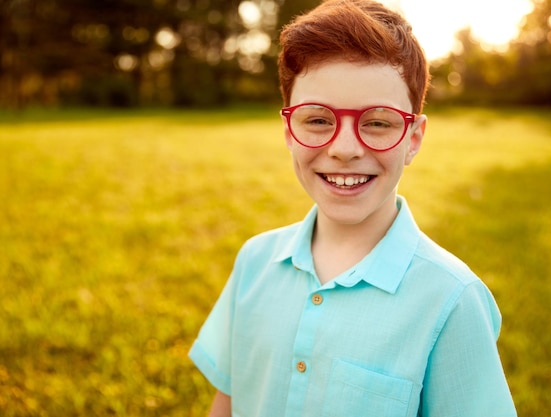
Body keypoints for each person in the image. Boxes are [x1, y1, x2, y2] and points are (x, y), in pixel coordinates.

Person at [189, 0, 517, 416]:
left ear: (413, 138)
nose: (344, 149)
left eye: (378, 122)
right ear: (288, 129)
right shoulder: (255, 261)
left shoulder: (451, 300)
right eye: (318, 120)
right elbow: (228, 402)